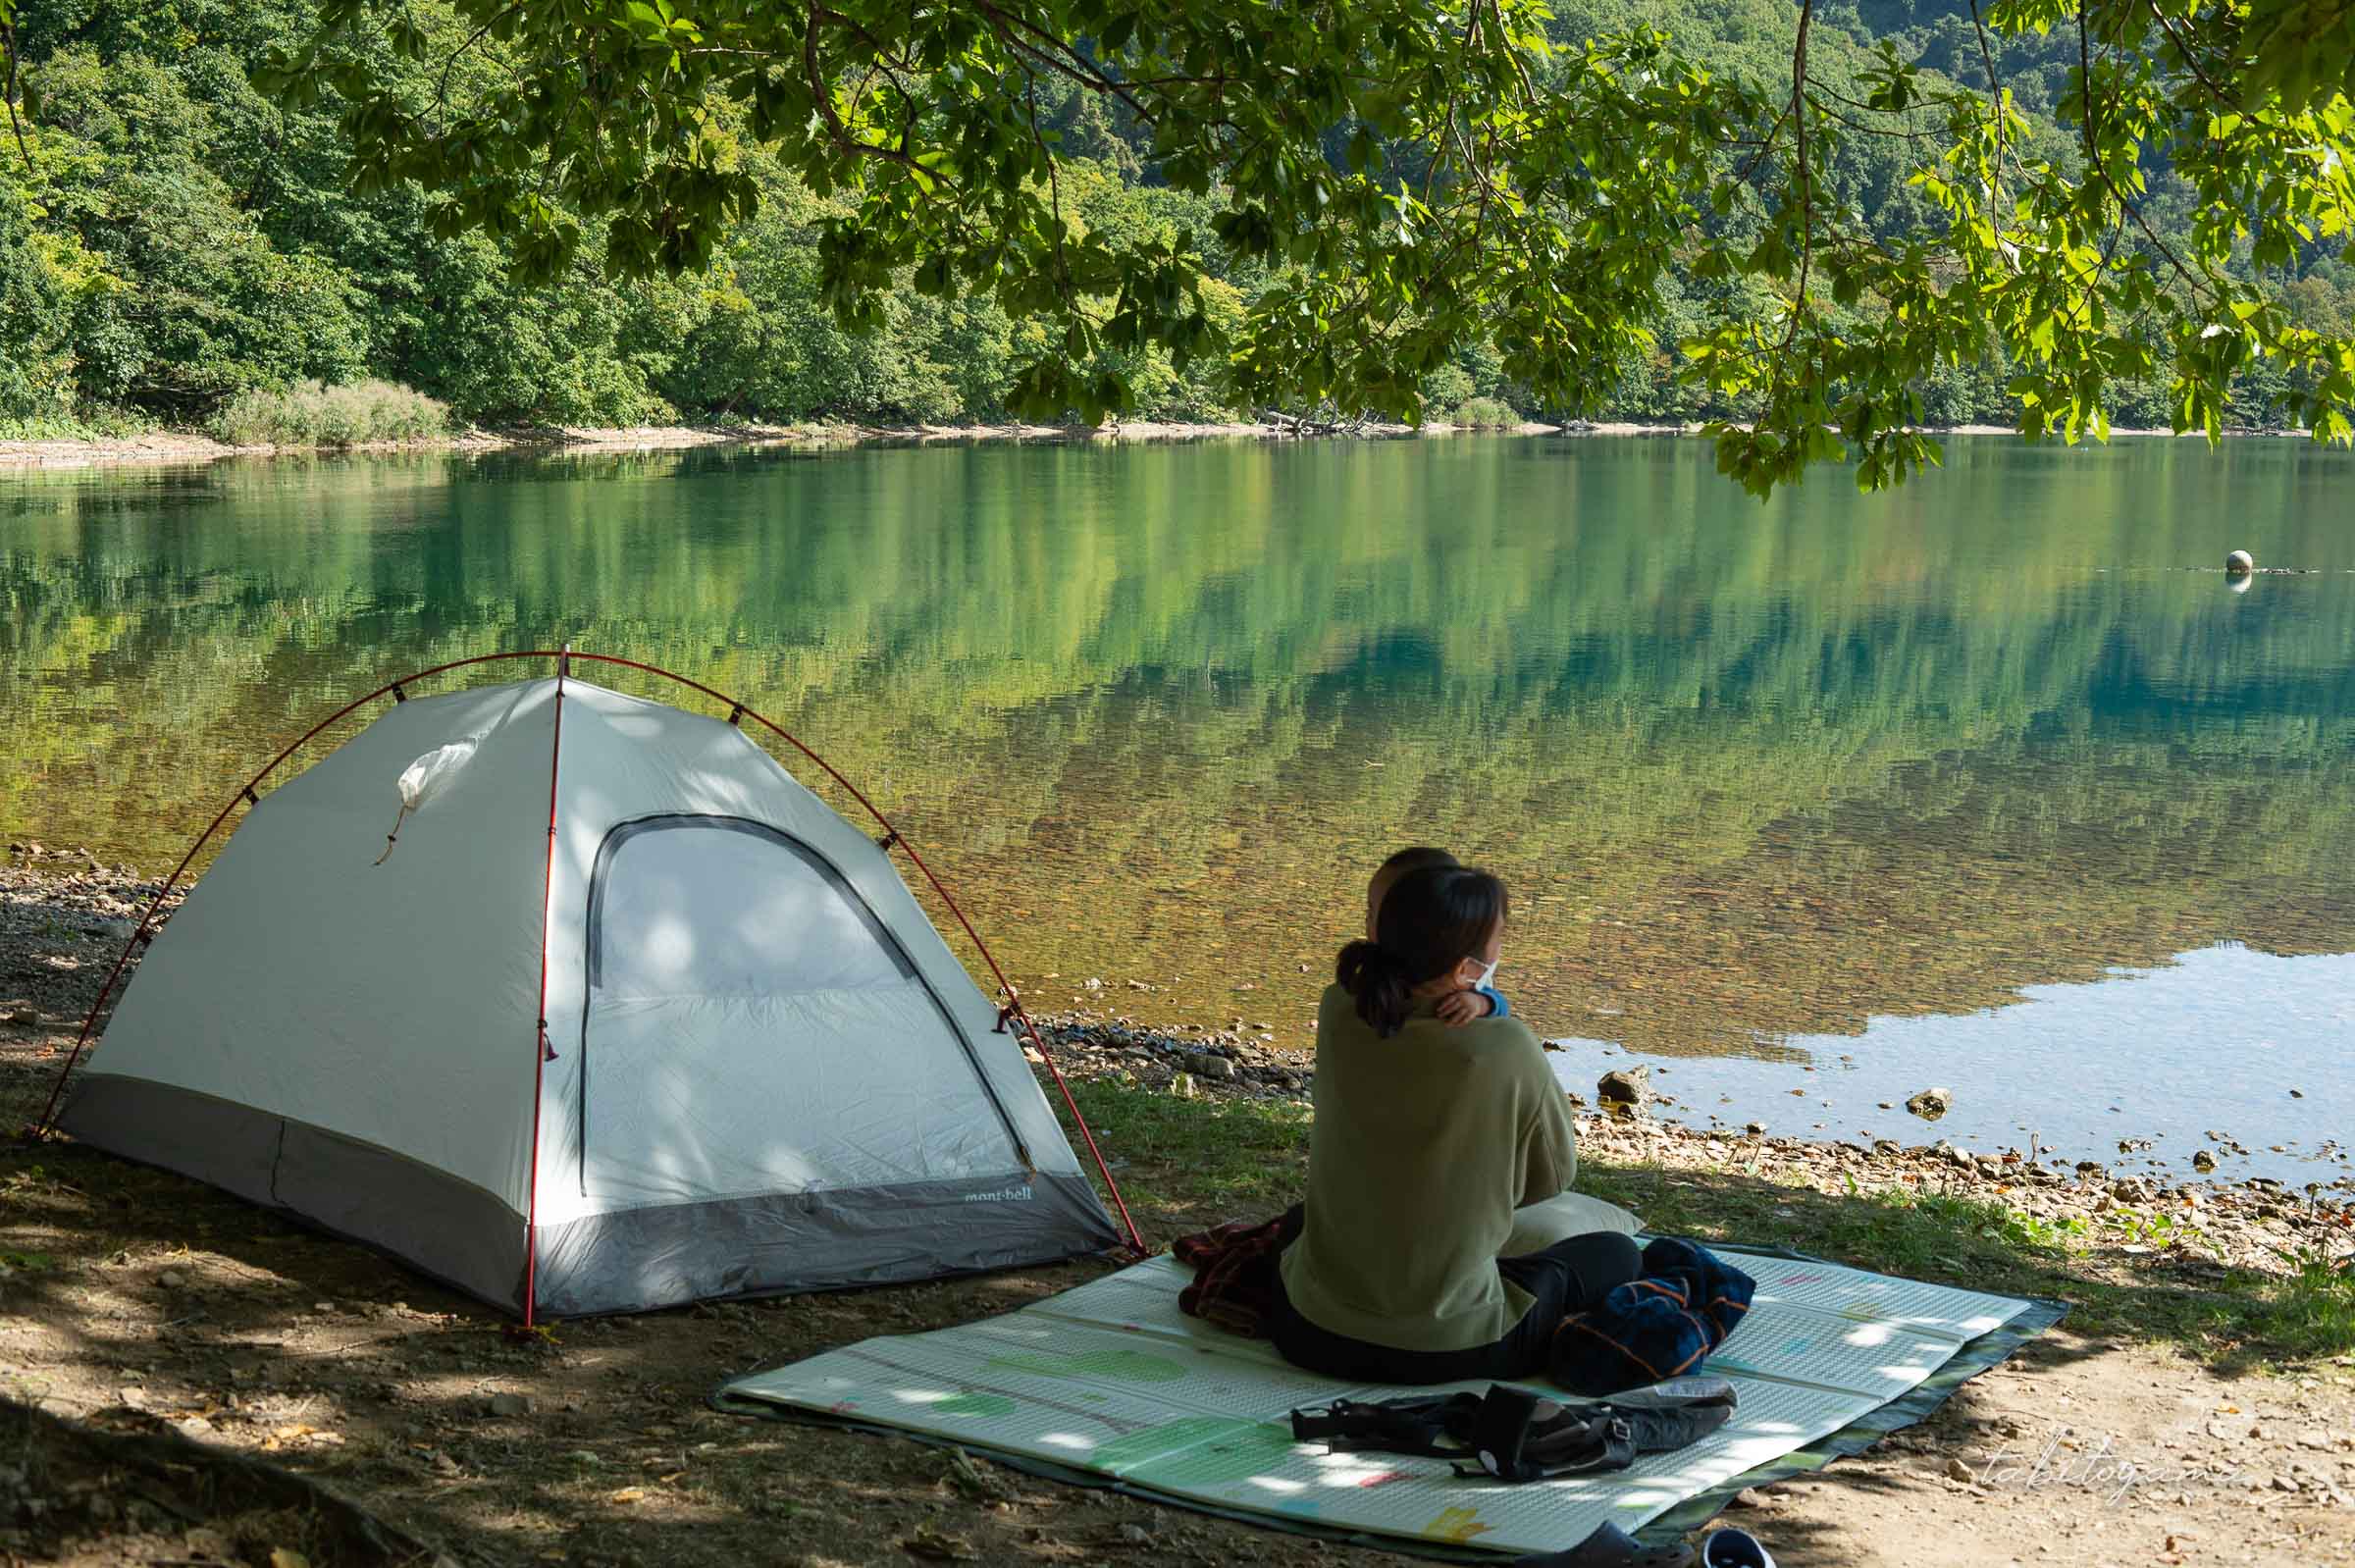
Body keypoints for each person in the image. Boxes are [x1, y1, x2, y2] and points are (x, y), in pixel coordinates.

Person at [1271, 862, 1643, 1384]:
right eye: (1499, 938)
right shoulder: (1507, 1045)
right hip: (1454, 1347)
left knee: (1301, 1222)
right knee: (1616, 1253)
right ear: (1469, 967)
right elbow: (1553, 1178)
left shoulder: (1339, 1007)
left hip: (1308, 1328)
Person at [1365, 847, 1507, 1025]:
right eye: (1370, 910)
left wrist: (1481, 1003)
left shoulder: (1468, 977)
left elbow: (1499, 1004)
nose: (1369, 920)